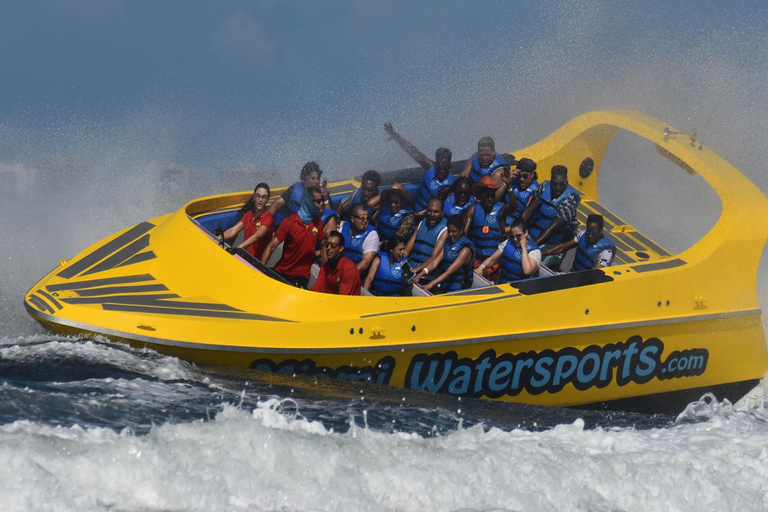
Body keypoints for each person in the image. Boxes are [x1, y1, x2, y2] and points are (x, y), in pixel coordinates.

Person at [261, 185, 326, 288]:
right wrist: (261, 269)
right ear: (308, 201)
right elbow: (272, 245)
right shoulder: (289, 222)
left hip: (301, 276)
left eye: (322, 200)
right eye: (318, 201)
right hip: (282, 271)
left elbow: (324, 246)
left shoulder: (318, 223)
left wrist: (326, 274)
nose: (322, 204)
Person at [383, 122, 456, 212]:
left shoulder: (452, 183)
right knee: (396, 186)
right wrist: (395, 135)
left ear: (450, 165)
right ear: (435, 163)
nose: (441, 171)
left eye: (445, 169)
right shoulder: (430, 167)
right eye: (439, 168)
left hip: (433, 215)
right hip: (417, 209)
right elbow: (413, 152)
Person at [522, 165, 581, 269]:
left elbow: (551, 229)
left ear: (566, 183)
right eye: (554, 183)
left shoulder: (569, 202)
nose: (558, 187)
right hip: (533, 235)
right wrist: (517, 229)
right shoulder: (544, 186)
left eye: (561, 184)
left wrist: (531, 246)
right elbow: (529, 210)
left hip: (552, 244)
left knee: (533, 265)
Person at [413, 215, 475, 294]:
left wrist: (429, 285)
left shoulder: (465, 249)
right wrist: (420, 274)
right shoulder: (448, 244)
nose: (450, 234)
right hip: (445, 286)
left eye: (454, 231)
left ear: (461, 230)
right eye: (449, 231)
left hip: (459, 290)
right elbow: (435, 262)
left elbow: (449, 272)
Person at [464, 176, 511, 277]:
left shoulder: (502, 208)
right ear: (481, 196)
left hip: (494, 259)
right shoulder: (473, 208)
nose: (490, 199)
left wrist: (509, 187)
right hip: (476, 257)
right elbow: (465, 233)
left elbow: (514, 208)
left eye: (492, 196)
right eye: (487, 196)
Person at [218, 183, 274, 260]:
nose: (260, 200)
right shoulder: (249, 214)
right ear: (254, 197)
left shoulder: (268, 218)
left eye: (264, 197)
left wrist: (239, 247)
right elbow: (233, 230)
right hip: (244, 257)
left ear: (267, 199)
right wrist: (218, 238)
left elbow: (257, 236)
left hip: (256, 262)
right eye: (258, 196)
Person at [541, 214, 615, 271]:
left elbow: (594, 273)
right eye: (588, 231)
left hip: (586, 283)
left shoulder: (606, 252)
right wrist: (543, 252)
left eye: (593, 233)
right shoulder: (583, 235)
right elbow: (562, 248)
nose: (589, 235)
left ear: (601, 232)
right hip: (572, 274)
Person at [476, 218, 541, 283]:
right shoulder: (508, 242)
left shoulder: (535, 251)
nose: (515, 239)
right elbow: (492, 259)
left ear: (526, 233)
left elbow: (527, 271)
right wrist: (481, 267)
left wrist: (524, 248)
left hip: (520, 288)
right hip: (502, 283)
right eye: (512, 236)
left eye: (518, 235)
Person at [269, 161, 332, 227]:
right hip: (294, 227)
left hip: (313, 228)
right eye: (313, 178)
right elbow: (277, 203)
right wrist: (266, 222)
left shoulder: (322, 193)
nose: (316, 182)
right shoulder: (294, 189)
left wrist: (325, 198)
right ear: (303, 179)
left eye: (318, 178)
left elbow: (329, 216)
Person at [406, 197, 448, 276]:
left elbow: (433, 259)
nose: (432, 214)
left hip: (427, 274)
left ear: (442, 213)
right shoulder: (422, 223)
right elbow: (406, 251)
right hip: (411, 268)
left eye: (436, 212)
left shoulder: (445, 230)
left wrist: (415, 270)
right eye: (429, 211)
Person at [311, 231, 361, 295]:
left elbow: (342, 299)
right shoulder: (326, 266)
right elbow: (317, 288)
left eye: (333, 245)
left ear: (341, 249)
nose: (328, 248)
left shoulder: (348, 270)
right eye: (327, 244)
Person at [340, 203, 380, 275]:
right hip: (341, 269)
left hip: (357, 276)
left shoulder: (372, 235)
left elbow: (365, 263)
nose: (365, 221)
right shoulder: (343, 227)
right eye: (362, 218)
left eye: (367, 218)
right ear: (352, 219)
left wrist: (348, 276)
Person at [506, 158, 540, 224]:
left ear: (532, 174)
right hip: (502, 215)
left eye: (525, 176)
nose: (521, 179)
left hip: (515, 223)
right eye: (519, 176)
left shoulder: (536, 190)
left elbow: (527, 214)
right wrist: (508, 181)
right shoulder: (512, 180)